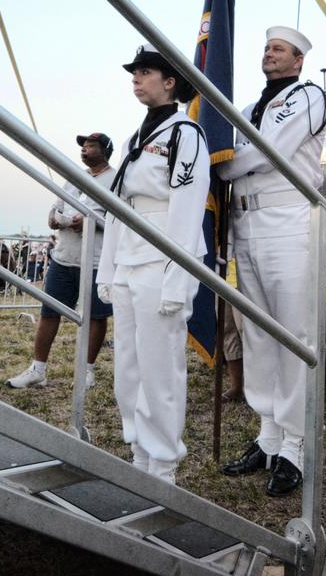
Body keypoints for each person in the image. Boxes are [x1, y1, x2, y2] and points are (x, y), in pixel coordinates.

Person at [218, 26, 326, 498]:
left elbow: (268, 153)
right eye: (266, 47)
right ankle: (268, 436)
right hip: (247, 223)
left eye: (279, 49)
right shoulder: (248, 108)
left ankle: (296, 447)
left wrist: (236, 159)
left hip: (288, 219)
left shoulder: (309, 96)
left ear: (298, 59)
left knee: (292, 333)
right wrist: (237, 159)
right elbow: (228, 161)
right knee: (257, 333)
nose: (269, 53)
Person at [96, 44, 209, 484]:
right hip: (129, 259)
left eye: (145, 72)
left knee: (161, 367)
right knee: (129, 363)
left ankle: (162, 464)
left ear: (170, 82)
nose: (136, 79)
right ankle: (139, 451)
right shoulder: (134, 139)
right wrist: (108, 269)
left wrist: (177, 281)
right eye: (134, 73)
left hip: (164, 259)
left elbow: (186, 208)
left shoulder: (187, 135)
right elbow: (118, 206)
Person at [8, 133, 117, 390]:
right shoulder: (73, 178)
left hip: (96, 260)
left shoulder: (115, 180)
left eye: (91, 146)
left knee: (96, 316)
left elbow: (119, 220)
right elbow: (55, 206)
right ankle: (38, 369)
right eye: (83, 147)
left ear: (105, 151)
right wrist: (53, 218)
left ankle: (87, 370)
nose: (85, 151)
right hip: (63, 258)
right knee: (49, 312)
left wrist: (90, 223)